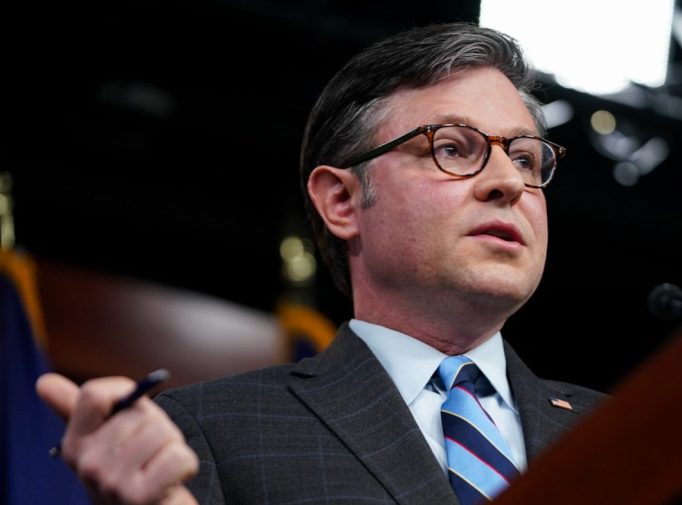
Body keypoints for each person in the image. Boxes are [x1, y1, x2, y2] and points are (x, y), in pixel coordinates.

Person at [36, 22, 606, 504]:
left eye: (527, 159)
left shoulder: (629, 427)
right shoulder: (210, 432)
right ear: (341, 200)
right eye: (453, 148)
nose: (509, 182)